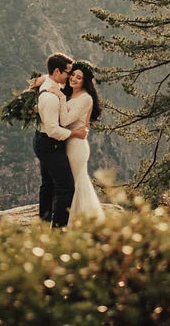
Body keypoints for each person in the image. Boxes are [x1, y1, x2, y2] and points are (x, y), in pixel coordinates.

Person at [33, 53, 88, 227]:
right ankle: (58, 229)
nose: (70, 76)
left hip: (42, 141)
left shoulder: (52, 84)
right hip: (50, 143)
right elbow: (52, 130)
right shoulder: (51, 97)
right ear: (57, 72)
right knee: (66, 187)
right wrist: (74, 134)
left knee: (48, 184)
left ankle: (44, 222)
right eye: (68, 72)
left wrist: (42, 78)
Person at [57, 60, 105, 224]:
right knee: (71, 184)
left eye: (79, 77)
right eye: (73, 75)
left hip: (76, 147)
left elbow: (65, 120)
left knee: (76, 184)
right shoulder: (69, 94)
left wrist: (60, 97)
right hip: (68, 142)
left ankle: (78, 222)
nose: (74, 79)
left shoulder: (85, 98)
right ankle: (73, 220)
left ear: (85, 81)